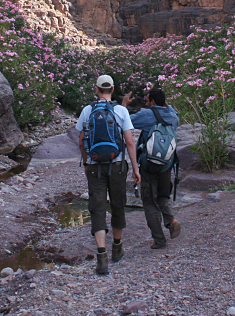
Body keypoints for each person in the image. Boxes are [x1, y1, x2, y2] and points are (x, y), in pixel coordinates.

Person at [77, 74, 140, 275]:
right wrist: (136, 168)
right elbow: (130, 142)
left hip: (95, 166)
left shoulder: (87, 110)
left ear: (96, 89)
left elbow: (80, 141)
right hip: (117, 165)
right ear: (112, 89)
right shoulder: (121, 110)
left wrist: (86, 162)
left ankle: (101, 255)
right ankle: (117, 247)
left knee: (97, 207)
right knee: (118, 203)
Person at [122, 87, 182, 249]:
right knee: (163, 196)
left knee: (149, 201)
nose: (146, 102)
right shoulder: (173, 116)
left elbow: (123, 120)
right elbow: (173, 111)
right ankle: (171, 220)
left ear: (153, 102)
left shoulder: (146, 115)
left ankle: (159, 240)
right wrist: (165, 104)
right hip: (167, 164)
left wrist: (124, 104)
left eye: (148, 100)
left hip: (148, 165)